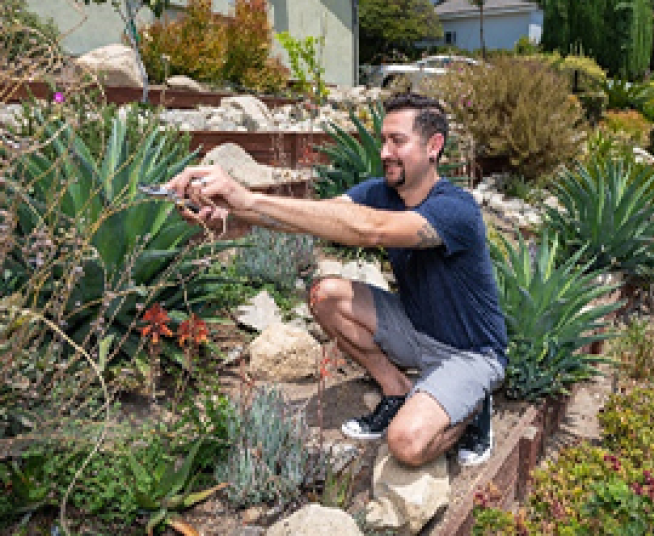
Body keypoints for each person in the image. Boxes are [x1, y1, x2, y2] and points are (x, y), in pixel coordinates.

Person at [164, 92, 507, 468]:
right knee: (326, 295)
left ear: (433, 146)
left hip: (471, 353)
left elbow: (371, 229)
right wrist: (230, 212)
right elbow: (321, 216)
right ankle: (397, 390)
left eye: (398, 141)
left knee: (407, 444)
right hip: (416, 328)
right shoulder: (382, 192)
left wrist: (245, 199)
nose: (384, 153)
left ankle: (472, 407)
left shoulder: (456, 209)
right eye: (383, 140)